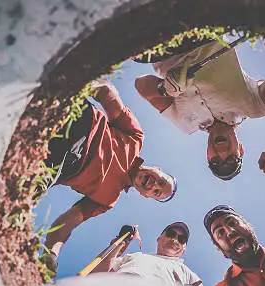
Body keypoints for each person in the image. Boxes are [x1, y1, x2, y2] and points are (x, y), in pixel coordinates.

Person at [40, 80, 177, 275]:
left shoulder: (107, 200)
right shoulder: (135, 138)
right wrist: (79, 81)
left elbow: (70, 220)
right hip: (81, 122)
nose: (154, 185)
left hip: (62, 166)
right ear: (157, 168)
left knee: (31, 186)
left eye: (156, 192)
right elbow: (108, 94)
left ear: (146, 196)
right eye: (161, 181)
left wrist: (51, 253)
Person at [134, 35, 265, 180]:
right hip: (202, 30)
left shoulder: (185, 124)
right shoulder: (253, 106)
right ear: (241, 149)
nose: (222, 154)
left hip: (158, 47)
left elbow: (141, 86)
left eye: (216, 162)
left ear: (207, 155)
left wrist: (164, 90)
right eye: (231, 159)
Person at [93, 222, 204, 286]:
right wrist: (121, 242)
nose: (175, 239)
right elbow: (96, 274)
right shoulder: (133, 256)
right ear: (159, 238)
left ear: (184, 249)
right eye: (170, 234)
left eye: (181, 239)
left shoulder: (188, 274)